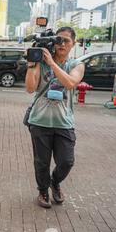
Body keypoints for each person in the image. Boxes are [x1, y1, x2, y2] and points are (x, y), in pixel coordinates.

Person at [25, 27, 85, 209]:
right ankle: (43, 191)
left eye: (66, 41)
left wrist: (51, 63)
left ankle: (55, 182)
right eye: (59, 40)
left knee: (66, 161)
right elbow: (30, 88)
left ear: (73, 44)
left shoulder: (76, 64)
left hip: (63, 123)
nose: (62, 44)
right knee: (41, 162)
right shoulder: (40, 62)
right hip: (39, 121)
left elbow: (70, 83)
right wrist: (31, 64)